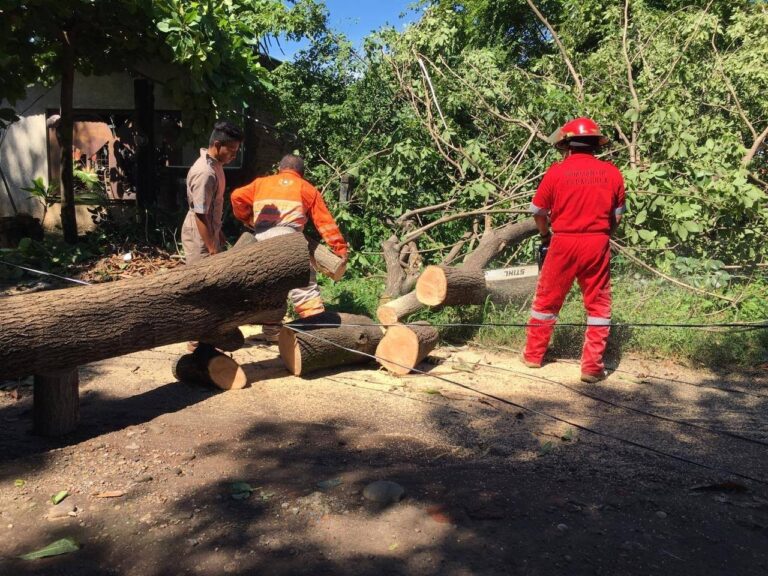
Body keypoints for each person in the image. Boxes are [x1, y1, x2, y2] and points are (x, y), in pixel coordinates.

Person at [522, 117, 626, 383]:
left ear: (567, 144)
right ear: (595, 145)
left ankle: (533, 356)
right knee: (598, 305)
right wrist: (603, 237)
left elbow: (538, 212)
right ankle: (591, 367)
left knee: (546, 301)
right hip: (597, 243)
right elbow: (617, 217)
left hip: (563, 242)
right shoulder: (612, 173)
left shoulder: (556, 172)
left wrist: (546, 234)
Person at [230, 154, 348, 340]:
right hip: (289, 241)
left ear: (280, 169)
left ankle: (271, 331)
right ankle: (317, 331)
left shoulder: (260, 183)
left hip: (259, 240)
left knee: (271, 285)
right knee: (304, 285)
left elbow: (236, 196)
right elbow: (325, 223)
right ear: (301, 173)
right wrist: (340, 249)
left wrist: (247, 218)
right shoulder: (306, 188)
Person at [181, 121, 243, 265]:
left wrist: (218, 233)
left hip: (209, 231)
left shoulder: (217, 166)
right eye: (232, 150)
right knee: (200, 279)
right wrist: (212, 248)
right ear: (217, 145)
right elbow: (200, 213)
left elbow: (212, 206)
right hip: (199, 236)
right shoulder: (205, 172)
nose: (234, 156)